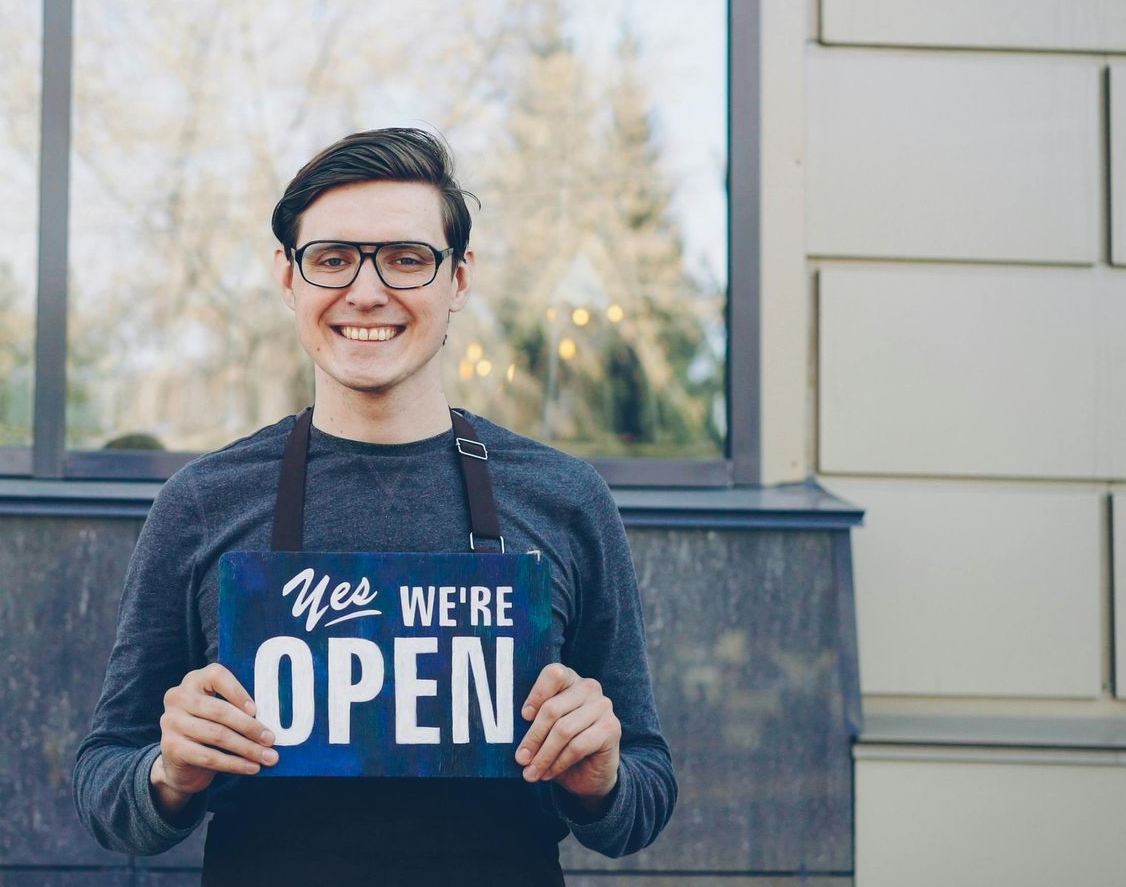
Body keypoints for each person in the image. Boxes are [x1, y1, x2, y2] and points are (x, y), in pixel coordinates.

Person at [72, 128, 675, 884]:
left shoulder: (564, 498)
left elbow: (646, 793)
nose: (365, 291)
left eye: (405, 258)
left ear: (457, 280)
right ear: (288, 280)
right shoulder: (202, 502)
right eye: (331, 259)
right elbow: (103, 784)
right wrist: (167, 772)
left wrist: (602, 778)